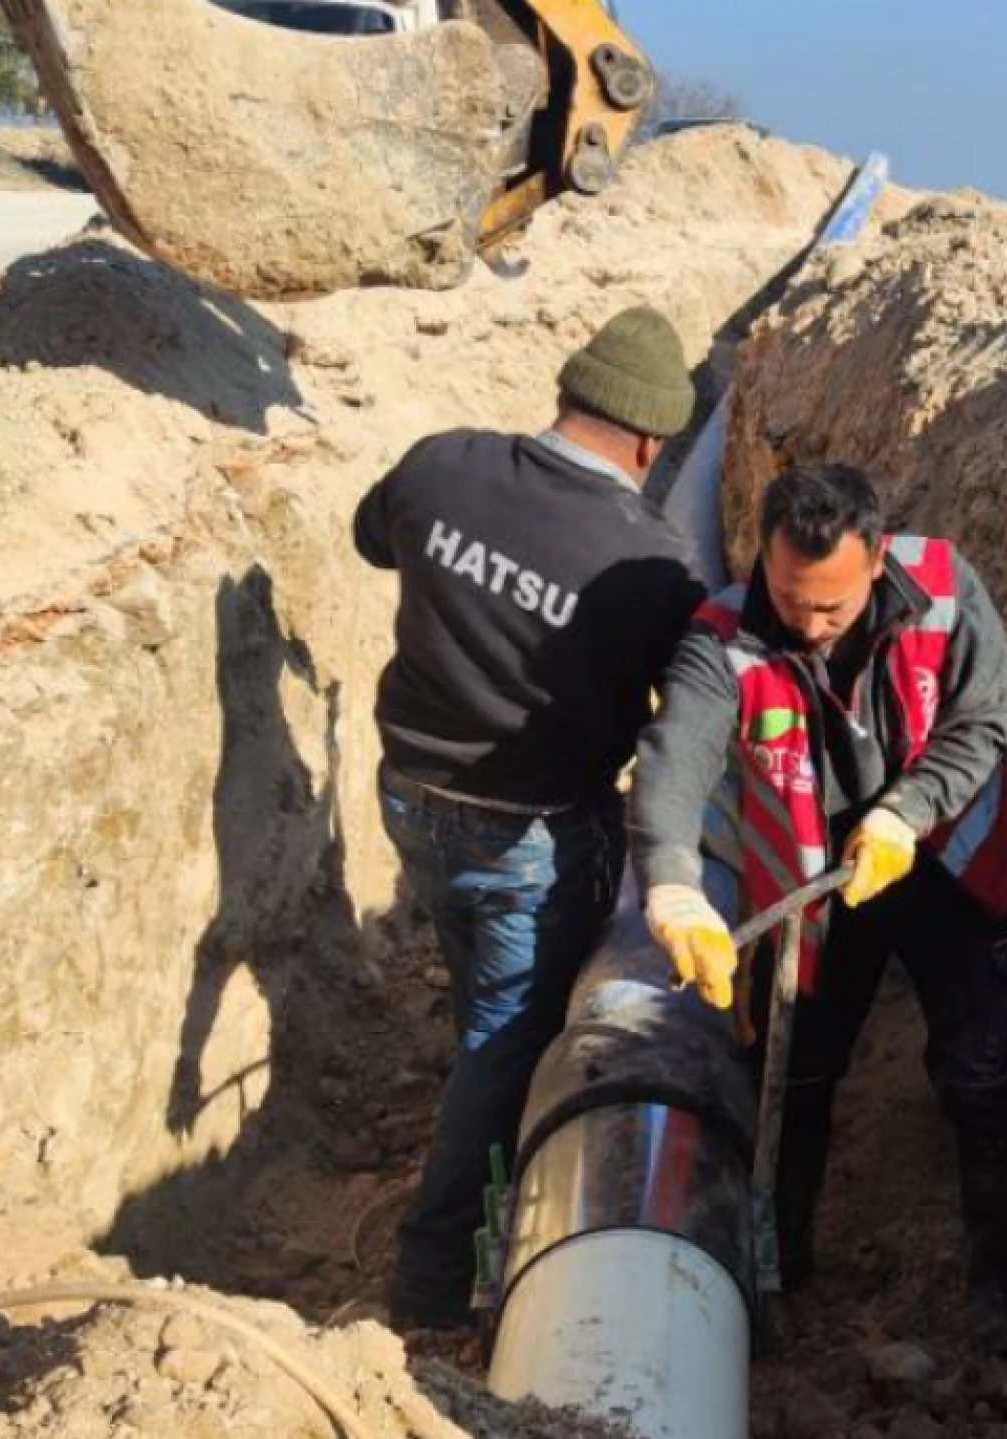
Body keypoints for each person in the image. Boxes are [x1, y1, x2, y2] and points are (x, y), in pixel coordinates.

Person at [629, 461, 1007, 1356]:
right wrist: (670, 886)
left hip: (947, 873)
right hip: (816, 891)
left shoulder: (942, 587)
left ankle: (1003, 1294)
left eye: (833, 607)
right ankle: (778, 1266)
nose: (810, 626)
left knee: (982, 1077)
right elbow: (676, 759)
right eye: (791, 601)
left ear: (876, 561)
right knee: (795, 1071)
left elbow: (984, 717)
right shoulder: (725, 638)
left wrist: (906, 810)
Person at [353, 306, 705, 1330]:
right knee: (510, 1040)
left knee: (482, 1005)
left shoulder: (442, 463)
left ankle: (481, 1087)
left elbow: (376, 539)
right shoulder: (652, 565)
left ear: (566, 391)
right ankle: (430, 1278)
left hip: (410, 792)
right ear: (648, 441)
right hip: (530, 834)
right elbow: (674, 720)